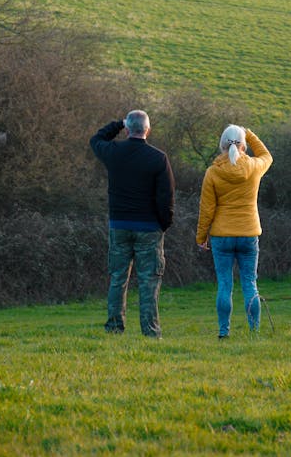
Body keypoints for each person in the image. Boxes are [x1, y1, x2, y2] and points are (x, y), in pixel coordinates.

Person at [90, 110, 175, 338]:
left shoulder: (114, 152)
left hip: (119, 225)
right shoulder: (158, 158)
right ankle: (150, 331)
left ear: (127, 129)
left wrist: (117, 123)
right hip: (149, 227)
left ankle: (114, 328)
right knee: (149, 281)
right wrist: (163, 224)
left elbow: (96, 140)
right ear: (148, 129)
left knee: (118, 278)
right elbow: (166, 197)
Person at [196, 124, 273, 338]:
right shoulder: (255, 166)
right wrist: (248, 133)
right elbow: (267, 155)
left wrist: (201, 236)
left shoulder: (212, 172)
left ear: (222, 145)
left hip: (221, 235)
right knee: (250, 283)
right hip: (249, 233)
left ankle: (224, 332)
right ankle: (254, 331)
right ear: (243, 146)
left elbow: (207, 208)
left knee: (224, 284)